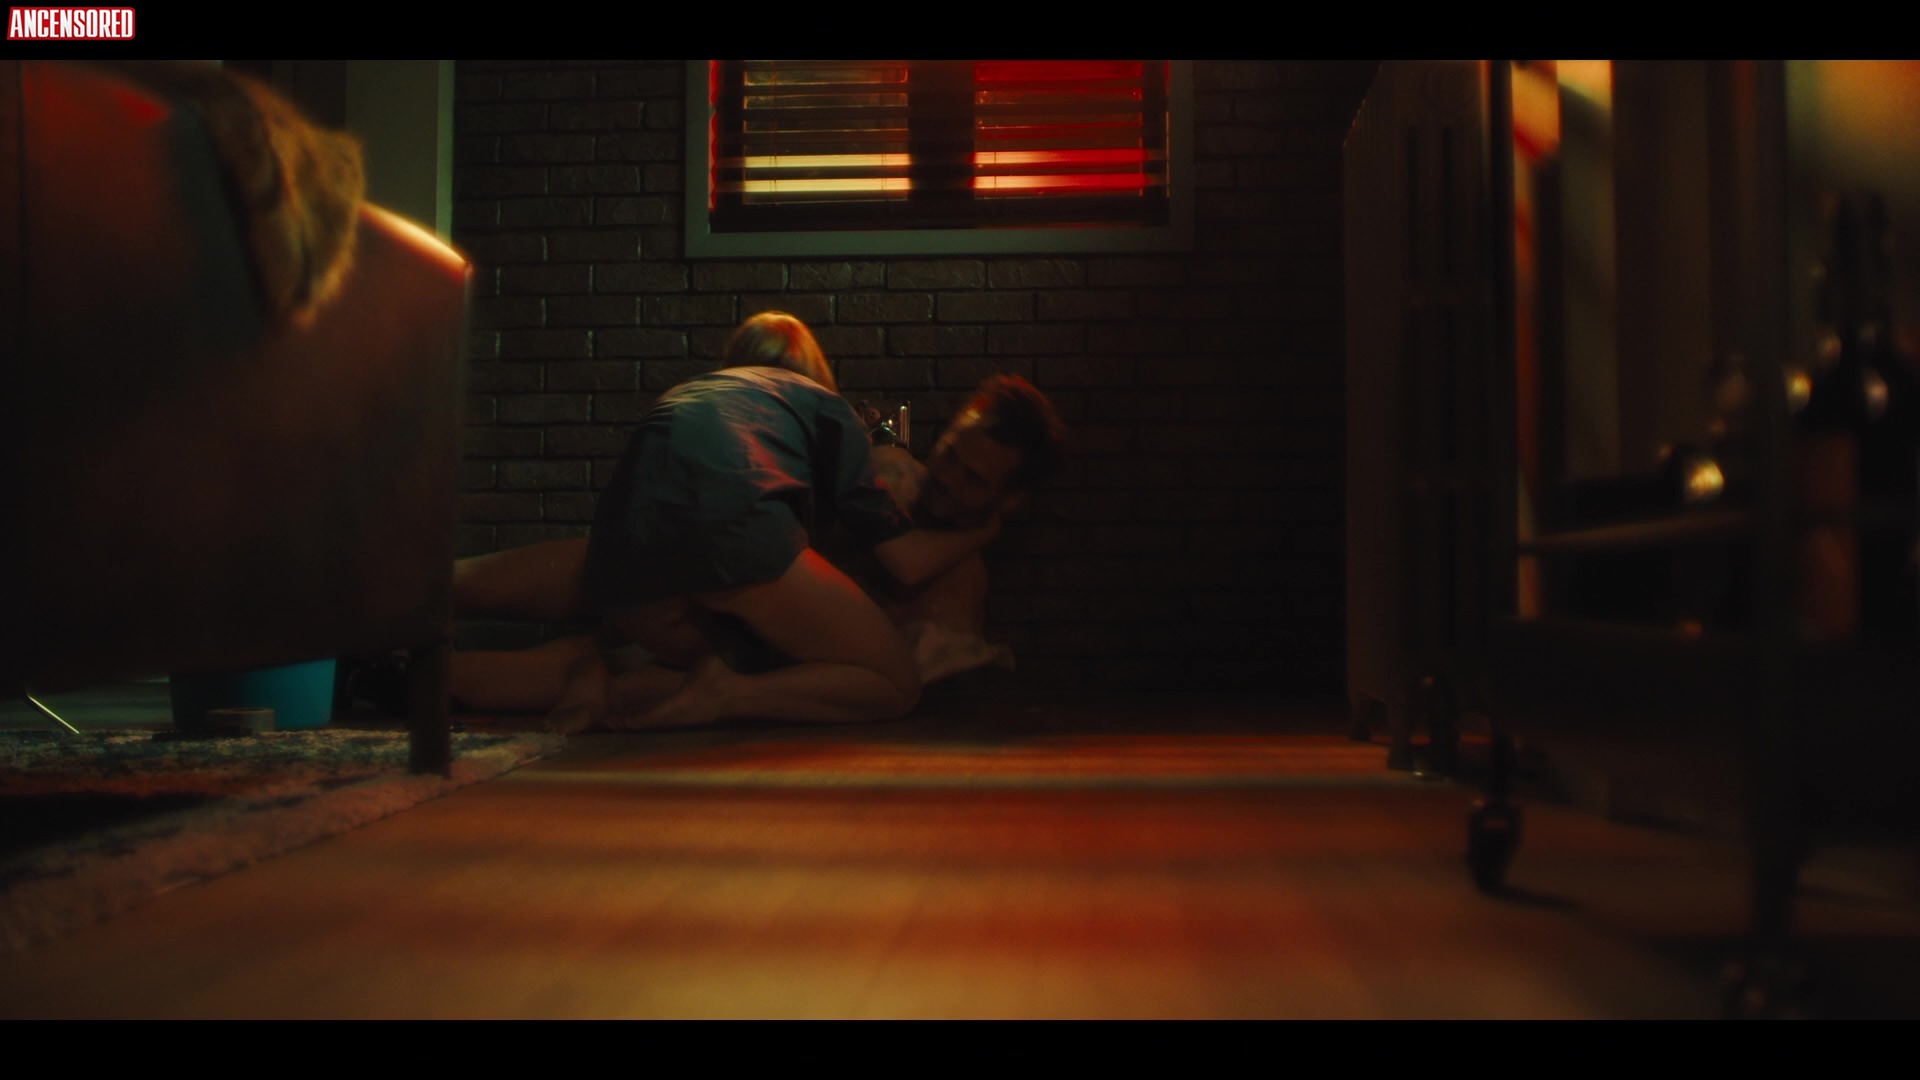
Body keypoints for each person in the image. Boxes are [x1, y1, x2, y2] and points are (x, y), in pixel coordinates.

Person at [441, 312, 1037, 733]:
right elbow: (903, 560)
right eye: (951, 458)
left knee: (691, 633)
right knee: (891, 683)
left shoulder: (720, 395)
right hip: (733, 535)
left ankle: (466, 608)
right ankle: (718, 693)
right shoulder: (836, 416)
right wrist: (985, 530)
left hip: (637, 510)